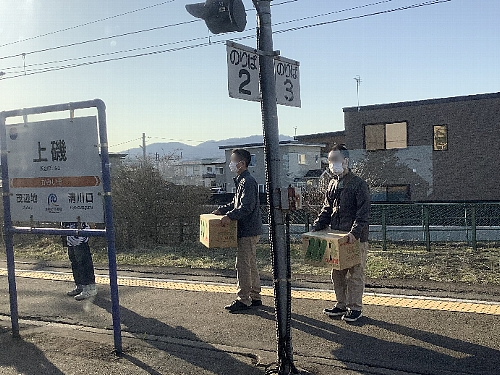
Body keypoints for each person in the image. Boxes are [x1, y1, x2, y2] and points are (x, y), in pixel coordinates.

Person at [312, 144, 370, 322]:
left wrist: (354, 233)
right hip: (336, 236)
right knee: (337, 272)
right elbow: (327, 208)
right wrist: (318, 225)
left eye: (335, 160)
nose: (332, 164)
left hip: (354, 238)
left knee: (355, 273)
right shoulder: (332, 183)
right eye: (330, 161)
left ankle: (355, 307)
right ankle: (341, 304)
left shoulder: (359, 184)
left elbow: (363, 213)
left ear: (346, 161)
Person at [212, 148, 263, 313]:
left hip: (246, 230)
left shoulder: (247, 181)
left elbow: (245, 207)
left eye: (233, 160)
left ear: (241, 163)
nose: (231, 164)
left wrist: (229, 217)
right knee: (251, 264)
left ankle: (244, 299)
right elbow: (236, 203)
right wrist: (222, 210)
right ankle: (255, 296)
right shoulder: (243, 181)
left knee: (242, 264)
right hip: (250, 229)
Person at [62, 222, 98, 301]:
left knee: (83, 262)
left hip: (80, 234)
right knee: (74, 262)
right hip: (69, 235)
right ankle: (80, 285)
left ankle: (89, 288)